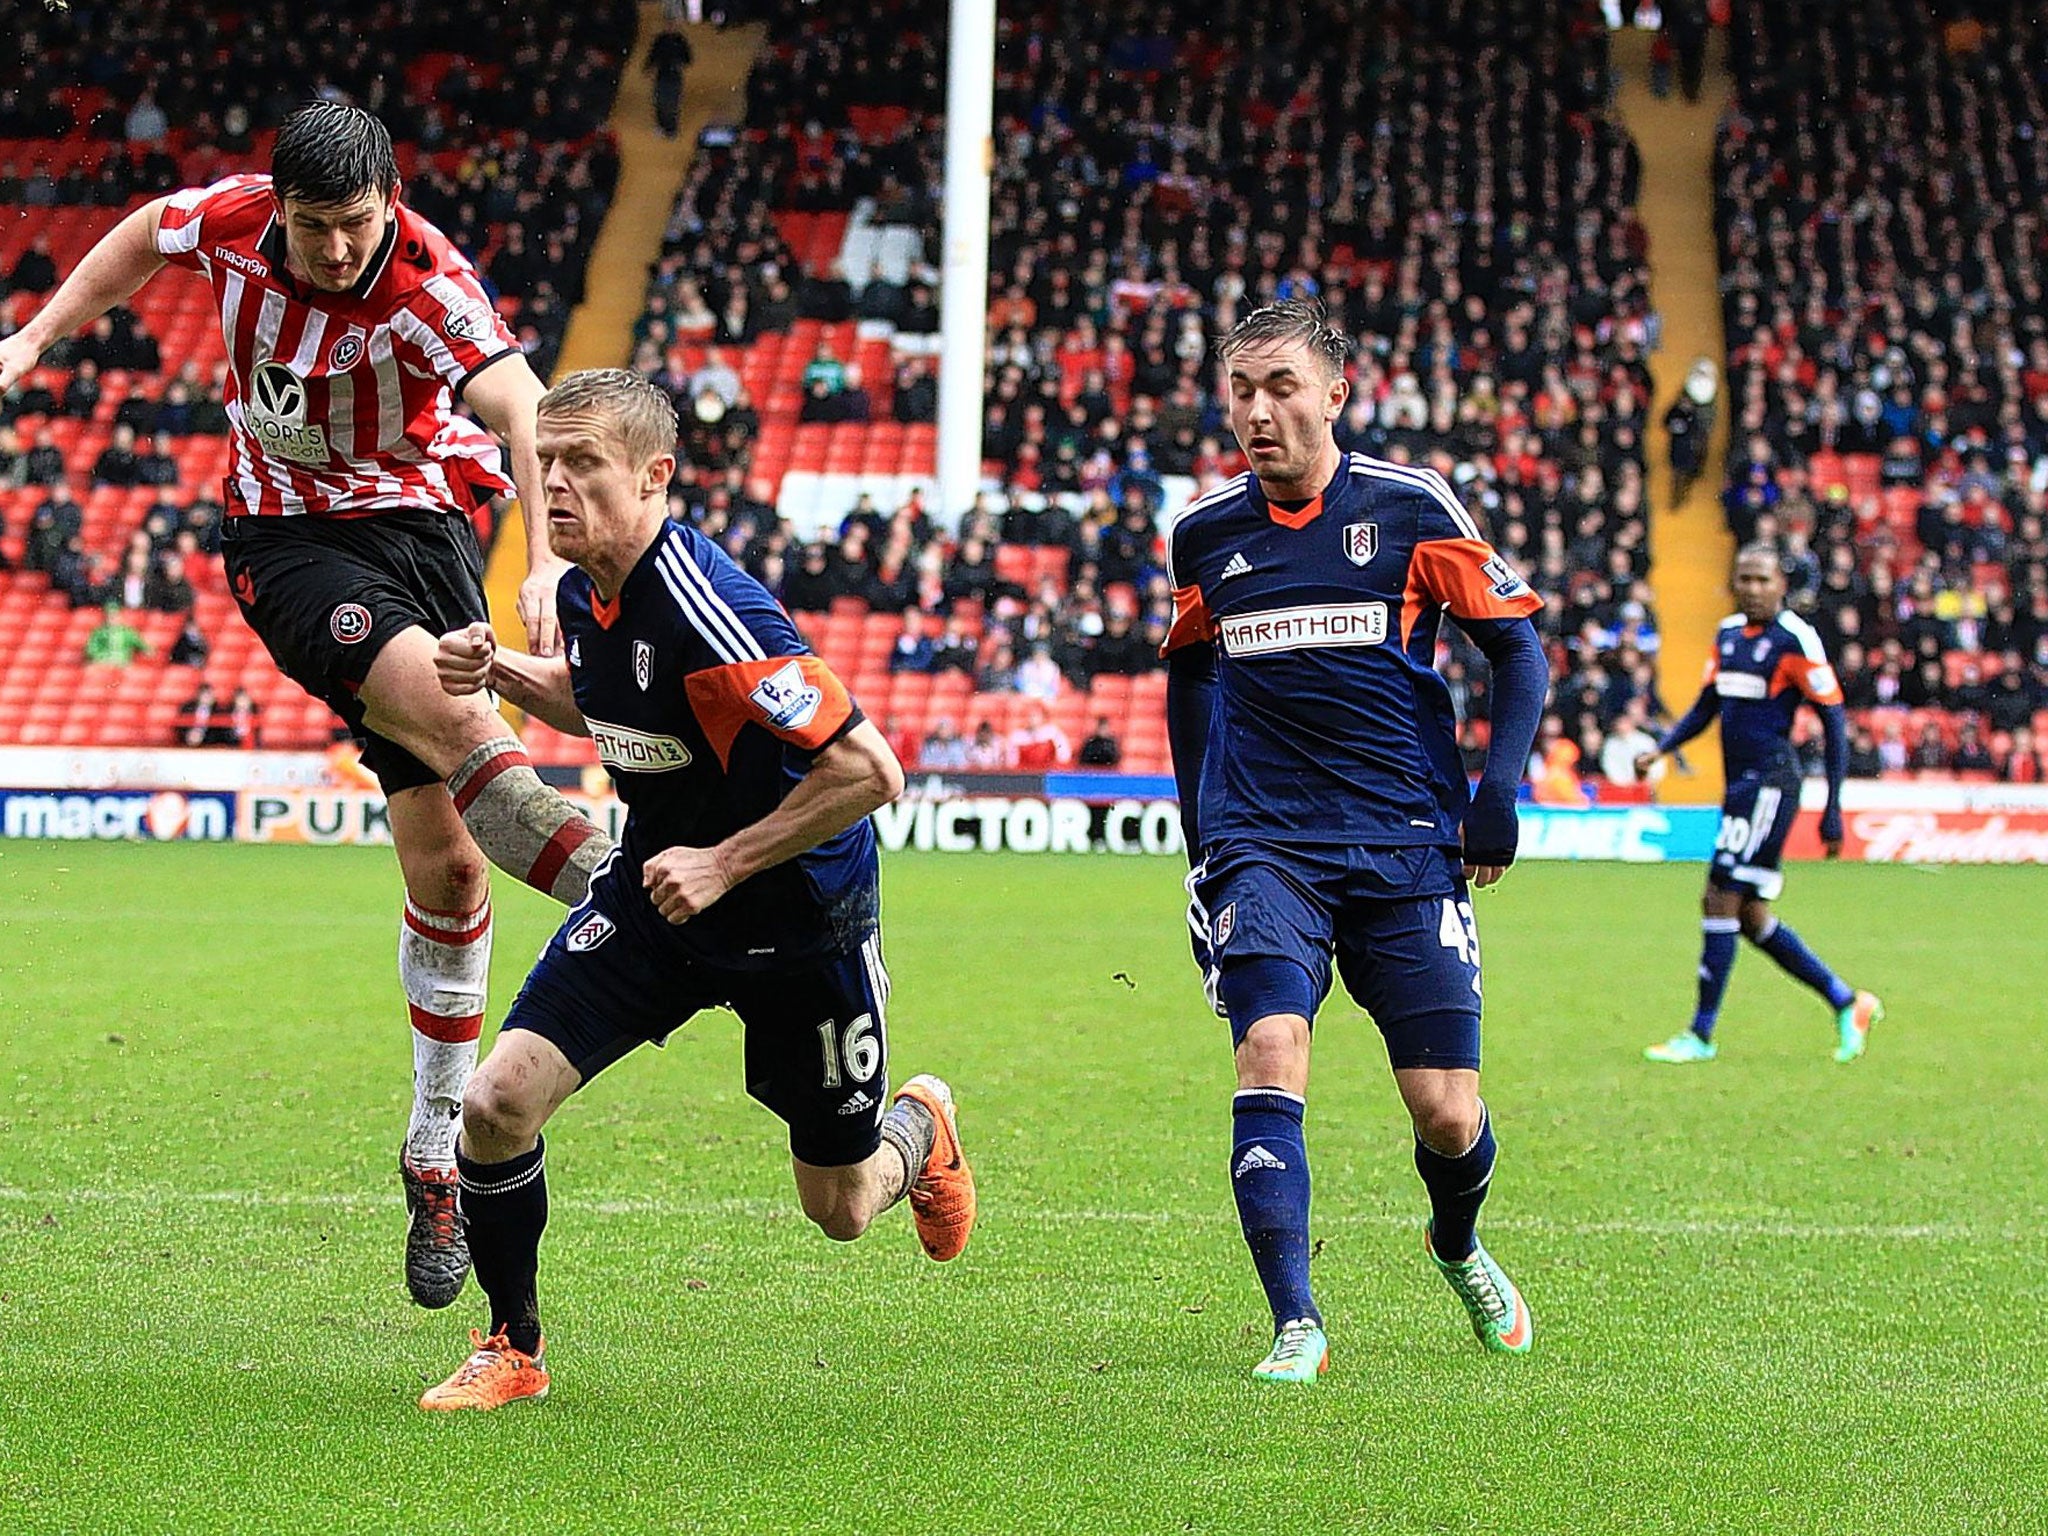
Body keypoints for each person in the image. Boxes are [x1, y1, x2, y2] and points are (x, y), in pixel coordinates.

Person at [0, 102, 615, 1312]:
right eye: (313, 226)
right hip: (286, 541)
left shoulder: (430, 282)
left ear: (390, 197)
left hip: (424, 529)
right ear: (277, 205)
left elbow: (524, 409)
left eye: (355, 225)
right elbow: (139, 233)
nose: (336, 251)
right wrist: (36, 338)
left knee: (447, 872)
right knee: (458, 723)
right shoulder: (231, 221)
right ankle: (634, 891)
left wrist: (542, 559)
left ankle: (434, 1145)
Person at [420, 370, 976, 1410]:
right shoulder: (590, 591)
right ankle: (514, 1345)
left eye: (582, 464)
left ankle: (921, 1125)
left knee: (843, 1206)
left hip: (796, 925)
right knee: (495, 1105)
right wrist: (500, 670)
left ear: (654, 475)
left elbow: (869, 771)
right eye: (546, 465)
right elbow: (608, 703)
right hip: (655, 910)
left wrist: (725, 860)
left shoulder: (711, 610)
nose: (555, 488)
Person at [1163, 300, 1550, 1382]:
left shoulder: (1410, 507)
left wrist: (1497, 791)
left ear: (1335, 392)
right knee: (1269, 1050)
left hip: (1403, 841)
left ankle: (1456, 1242)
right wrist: (1204, 821)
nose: (1256, 410)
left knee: (1442, 1109)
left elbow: (1516, 655)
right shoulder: (1203, 532)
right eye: (1239, 389)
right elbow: (1190, 665)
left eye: (1280, 385)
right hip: (1265, 843)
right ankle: (1295, 1321)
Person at [1635, 545, 1883, 1065]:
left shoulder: (1794, 640)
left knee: (1718, 895)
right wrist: (1662, 748)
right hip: (1740, 787)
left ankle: (1700, 1035)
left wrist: (1833, 806)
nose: (1751, 587)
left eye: (1762, 579)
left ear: (1780, 585)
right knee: (1747, 915)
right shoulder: (1726, 635)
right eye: (1744, 578)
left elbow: (1834, 722)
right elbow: (1708, 705)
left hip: (1771, 783)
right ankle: (1847, 1000)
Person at [84, 601, 151, 666]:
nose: (112, 618)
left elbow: (144, 647)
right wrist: (102, 660)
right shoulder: (99, 632)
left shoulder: (128, 632)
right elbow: (91, 650)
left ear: (120, 616)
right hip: (104, 666)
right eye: (110, 616)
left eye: (115, 615)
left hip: (124, 666)